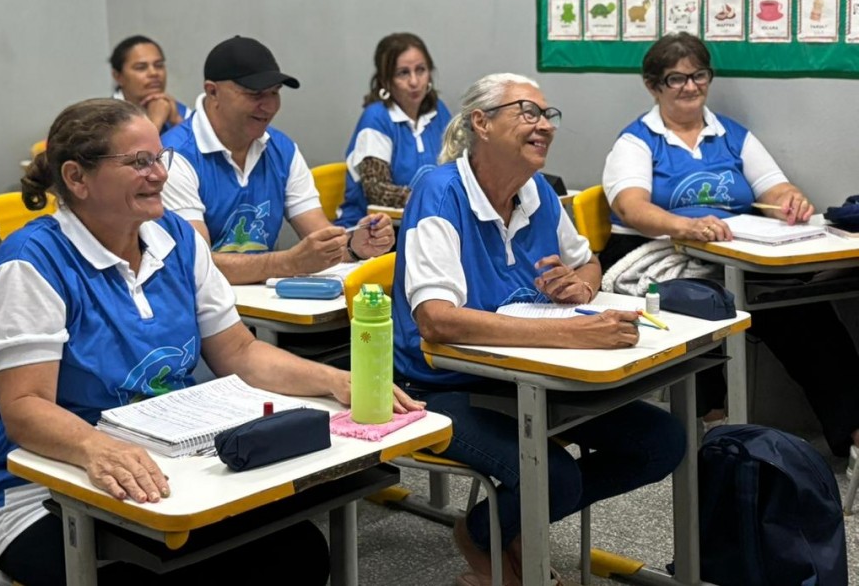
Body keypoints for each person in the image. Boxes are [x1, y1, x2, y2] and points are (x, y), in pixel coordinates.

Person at [0, 98, 421, 585]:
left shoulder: (176, 240)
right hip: (51, 492)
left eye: (160, 159)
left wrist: (336, 381)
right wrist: (95, 448)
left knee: (299, 554)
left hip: (173, 470)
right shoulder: (32, 264)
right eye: (139, 162)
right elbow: (26, 406)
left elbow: (240, 353)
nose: (159, 175)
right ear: (77, 178)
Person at [393, 72, 684, 586]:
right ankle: (495, 533)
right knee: (554, 477)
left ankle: (492, 527)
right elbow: (435, 321)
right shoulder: (439, 192)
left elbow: (589, 264)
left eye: (548, 116)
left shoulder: (538, 194)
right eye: (528, 112)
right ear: (480, 123)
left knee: (660, 439)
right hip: (439, 387)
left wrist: (582, 287)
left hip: (526, 378)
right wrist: (572, 334)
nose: (544, 126)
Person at [601, 32, 859, 459]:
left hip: (732, 255)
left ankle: (852, 429)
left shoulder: (731, 135)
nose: (689, 87)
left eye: (698, 76)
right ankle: (713, 419)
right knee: (708, 304)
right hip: (658, 255)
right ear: (653, 86)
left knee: (800, 309)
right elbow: (631, 208)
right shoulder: (636, 141)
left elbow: (774, 187)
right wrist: (684, 226)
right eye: (676, 79)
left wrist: (789, 199)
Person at [161, 35, 395, 284]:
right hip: (195, 310)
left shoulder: (281, 149)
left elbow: (320, 235)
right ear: (213, 91)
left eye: (275, 93)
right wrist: (288, 262)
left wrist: (353, 246)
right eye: (255, 94)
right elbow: (199, 265)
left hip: (260, 307)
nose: (270, 106)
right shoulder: (173, 157)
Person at [336, 32, 451, 226]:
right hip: (372, 233)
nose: (414, 82)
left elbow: (457, 167)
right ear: (386, 80)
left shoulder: (439, 111)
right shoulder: (376, 118)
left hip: (427, 223)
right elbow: (377, 190)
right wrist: (432, 200)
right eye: (403, 73)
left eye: (420, 70)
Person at [110, 34, 190, 134]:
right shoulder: (103, 119)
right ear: (118, 76)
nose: (154, 73)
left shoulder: (184, 113)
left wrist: (176, 121)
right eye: (141, 67)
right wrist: (155, 123)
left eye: (159, 65)